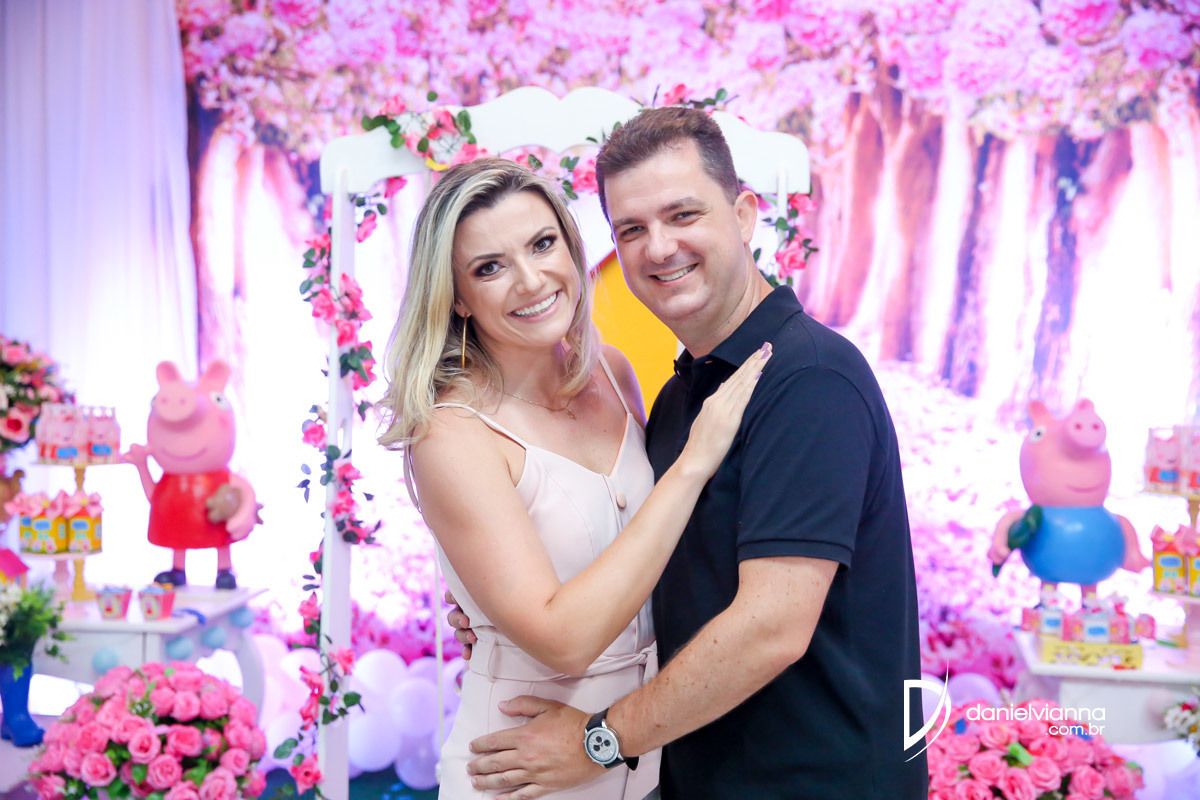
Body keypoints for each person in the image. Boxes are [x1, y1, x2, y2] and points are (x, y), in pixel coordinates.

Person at [456, 107, 927, 799]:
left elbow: (772, 627)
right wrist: (503, 610)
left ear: (743, 215)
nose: (658, 248)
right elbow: (654, 558)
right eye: (632, 230)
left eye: (683, 215)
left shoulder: (810, 379)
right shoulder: (682, 395)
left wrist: (599, 740)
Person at [377, 157, 771, 800]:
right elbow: (562, 642)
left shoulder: (613, 373)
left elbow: (642, 555)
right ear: (456, 298)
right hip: (522, 766)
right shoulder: (451, 433)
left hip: (640, 753)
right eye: (489, 267)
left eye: (542, 244)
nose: (531, 280)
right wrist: (693, 464)